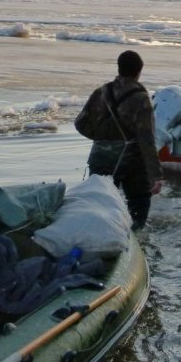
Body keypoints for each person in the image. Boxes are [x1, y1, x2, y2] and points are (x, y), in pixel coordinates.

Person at [75, 50, 164, 230]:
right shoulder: (140, 97)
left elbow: (80, 123)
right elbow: (146, 139)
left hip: (99, 158)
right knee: (138, 204)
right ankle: (134, 243)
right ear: (139, 71)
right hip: (130, 161)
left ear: (119, 68)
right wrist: (156, 175)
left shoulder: (101, 92)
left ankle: (100, 239)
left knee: (100, 204)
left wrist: (102, 139)